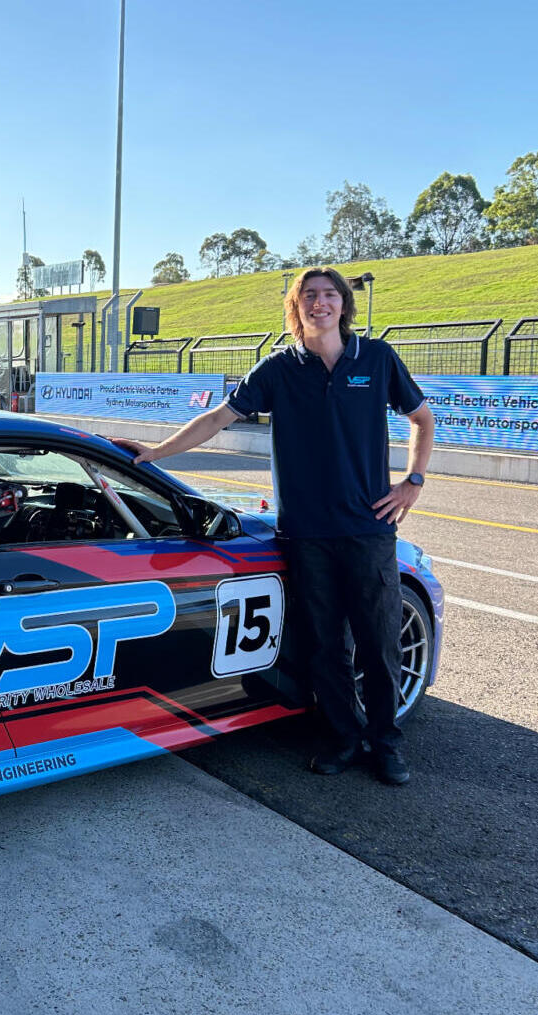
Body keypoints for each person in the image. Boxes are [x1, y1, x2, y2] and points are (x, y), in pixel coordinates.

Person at [111, 268, 434, 785]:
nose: (320, 303)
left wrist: (412, 481)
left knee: (379, 644)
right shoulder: (279, 368)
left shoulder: (376, 358)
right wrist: (155, 453)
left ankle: (386, 743)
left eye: (329, 295)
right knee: (324, 646)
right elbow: (217, 419)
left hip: (368, 529)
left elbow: (422, 420)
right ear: (296, 307)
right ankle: (342, 738)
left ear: (343, 304)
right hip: (305, 532)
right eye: (310, 296)